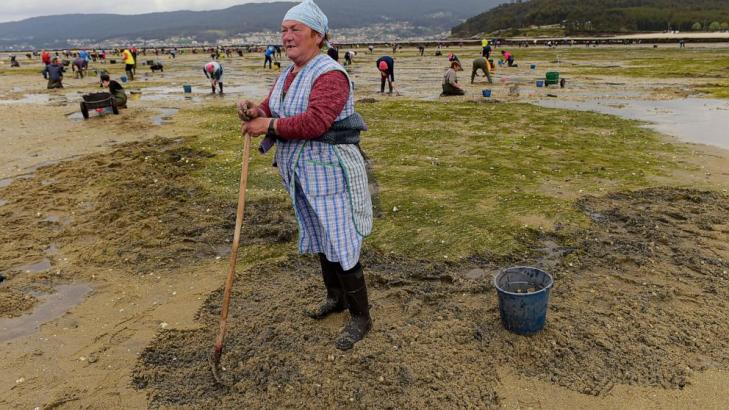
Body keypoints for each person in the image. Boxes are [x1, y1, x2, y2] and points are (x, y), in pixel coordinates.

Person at [237, 0, 373, 351]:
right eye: (283, 30)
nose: (286, 36)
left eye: (295, 29)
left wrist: (266, 124)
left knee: (342, 241)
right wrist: (257, 109)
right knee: (321, 236)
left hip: (332, 173)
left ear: (318, 35)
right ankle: (336, 298)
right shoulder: (289, 72)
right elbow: (273, 106)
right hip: (302, 173)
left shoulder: (330, 74)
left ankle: (361, 317)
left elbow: (315, 122)